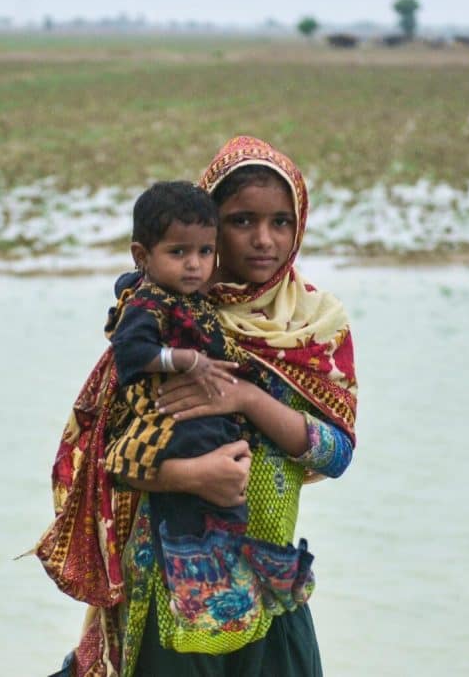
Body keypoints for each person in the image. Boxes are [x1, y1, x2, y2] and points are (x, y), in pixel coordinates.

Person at [35, 136, 357, 677]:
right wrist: (191, 475)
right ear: (209, 223)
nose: (263, 240)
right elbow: (102, 458)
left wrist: (247, 398)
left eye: (281, 222)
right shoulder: (163, 319)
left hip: (268, 580)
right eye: (240, 221)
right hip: (165, 584)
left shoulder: (314, 325)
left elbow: (337, 454)